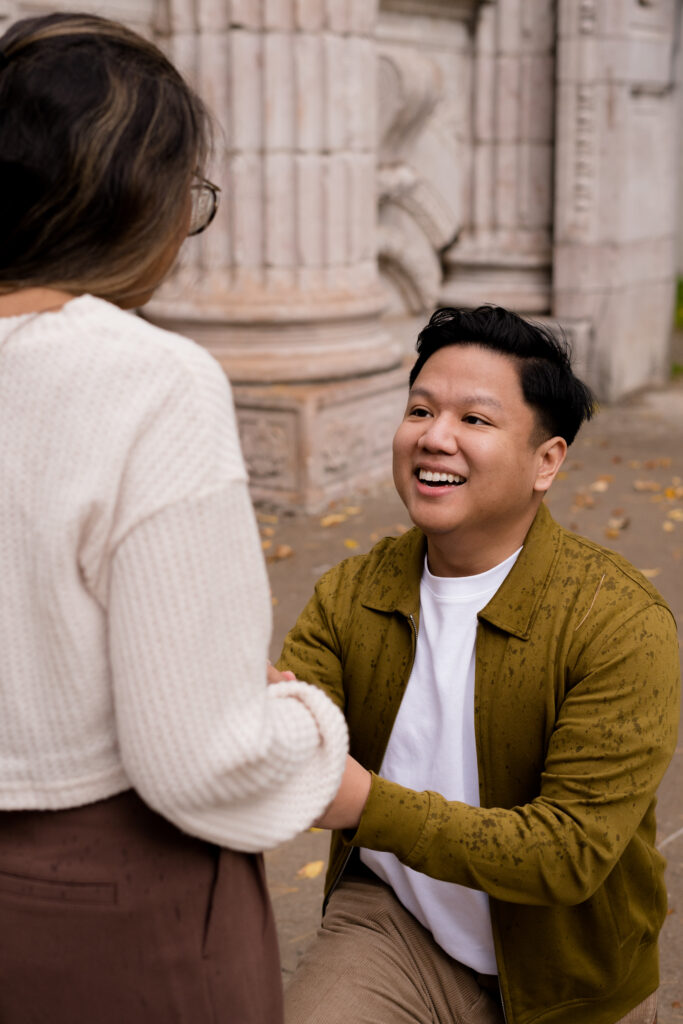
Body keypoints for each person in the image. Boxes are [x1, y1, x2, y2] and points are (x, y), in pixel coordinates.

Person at [0, 13, 347, 1024]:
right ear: (135, 198)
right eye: (190, 195)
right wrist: (303, 722)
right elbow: (203, 758)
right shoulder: (150, 381)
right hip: (104, 902)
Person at [277, 305, 681, 1024]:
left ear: (546, 461)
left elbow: (570, 853)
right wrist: (271, 724)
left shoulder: (619, 623)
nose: (434, 437)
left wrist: (367, 805)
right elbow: (291, 734)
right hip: (397, 925)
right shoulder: (351, 594)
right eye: (420, 409)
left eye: (475, 420)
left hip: (573, 977)